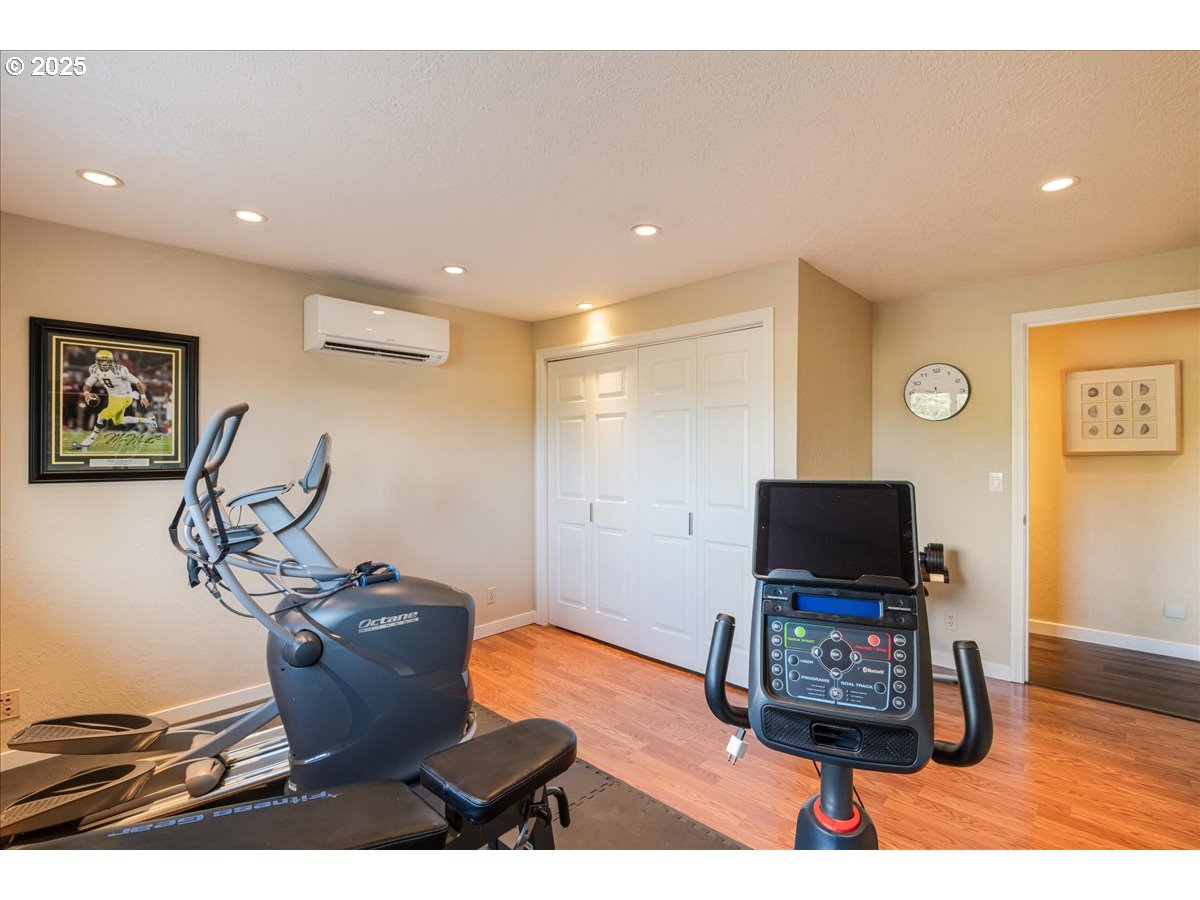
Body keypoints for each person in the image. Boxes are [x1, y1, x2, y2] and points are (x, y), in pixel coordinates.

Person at [71, 349, 158, 451]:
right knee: (119, 421)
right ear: (96, 361)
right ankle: (149, 420)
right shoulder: (95, 370)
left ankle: (90, 439)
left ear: (111, 361)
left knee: (102, 415)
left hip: (124, 398)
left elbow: (138, 382)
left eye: (106, 361)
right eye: (101, 361)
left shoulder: (119, 370)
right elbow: (87, 385)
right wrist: (86, 393)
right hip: (112, 397)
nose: (104, 364)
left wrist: (143, 397)